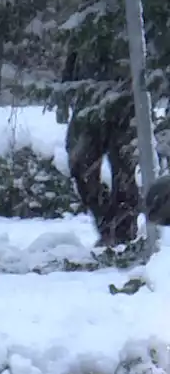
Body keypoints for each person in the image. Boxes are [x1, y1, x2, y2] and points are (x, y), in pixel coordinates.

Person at [57, 48, 138, 247]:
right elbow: (78, 41)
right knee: (79, 164)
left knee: (124, 171)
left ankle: (122, 233)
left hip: (126, 99)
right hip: (88, 101)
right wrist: (64, 91)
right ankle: (106, 223)